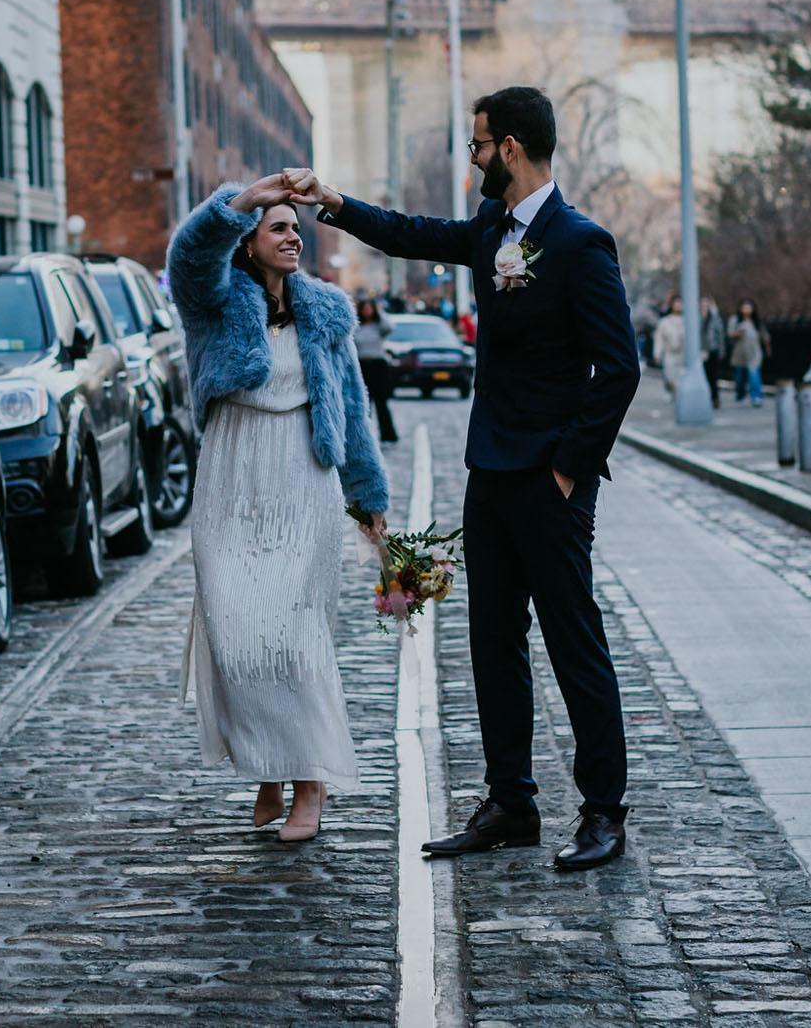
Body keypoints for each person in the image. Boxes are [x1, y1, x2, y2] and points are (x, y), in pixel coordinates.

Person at [283, 85, 641, 871]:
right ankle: (511, 804)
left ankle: (604, 812)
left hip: (549, 480)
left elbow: (619, 370)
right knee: (492, 641)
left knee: (574, 639)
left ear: (510, 149)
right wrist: (334, 202)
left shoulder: (581, 244)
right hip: (490, 471)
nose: (473, 158)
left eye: (478, 145)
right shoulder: (489, 230)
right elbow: (412, 235)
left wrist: (568, 473)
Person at [167, 176, 389, 842]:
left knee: (291, 637)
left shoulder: (326, 310)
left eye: (297, 227)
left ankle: (310, 783)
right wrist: (247, 197)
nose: (294, 236)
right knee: (237, 632)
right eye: (279, 227)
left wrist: (368, 496)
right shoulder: (213, 301)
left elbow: (351, 409)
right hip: (232, 479)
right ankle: (269, 763)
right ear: (250, 243)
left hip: (302, 478)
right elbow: (189, 254)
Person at [355, 298, 398, 444]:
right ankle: (364, 437)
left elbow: (390, 327)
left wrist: (380, 311)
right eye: (364, 308)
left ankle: (388, 436)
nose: (367, 311)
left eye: (370, 308)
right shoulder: (357, 326)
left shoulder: (379, 325)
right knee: (364, 404)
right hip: (362, 367)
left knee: (381, 403)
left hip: (378, 367)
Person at [728, 298, 771, 406]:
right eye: (744, 307)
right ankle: (740, 396)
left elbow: (765, 336)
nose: (746, 310)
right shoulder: (735, 320)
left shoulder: (756, 322)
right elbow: (729, 334)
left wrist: (768, 348)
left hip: (754, 352)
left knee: (754, 374)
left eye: (749, 307)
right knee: (740, 377)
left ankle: (756, 397)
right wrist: (738, 333)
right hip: (740, 353)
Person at [652, 294, 685, 397]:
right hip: (669, 353)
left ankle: (679, 396)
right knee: (669, 376)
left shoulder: (687, 321)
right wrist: (656, 354)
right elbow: (659, 339)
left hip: (682, 354)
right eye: (676, 304)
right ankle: (672, 392)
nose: (678, 306)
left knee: (680, 377)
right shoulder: (665, 322)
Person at [700, 296, 726, 408]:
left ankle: (715, 398)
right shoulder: (696, 316)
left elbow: (719, 333)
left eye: (707, 304)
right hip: (699, 352)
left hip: (712, 351)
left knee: (712, 376)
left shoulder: (714, 318)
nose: (704, 307)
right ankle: (704, 398)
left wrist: (721, 350)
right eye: (702, 304)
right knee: (702, 375)